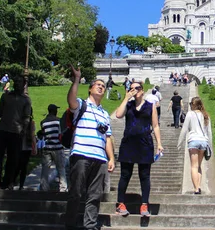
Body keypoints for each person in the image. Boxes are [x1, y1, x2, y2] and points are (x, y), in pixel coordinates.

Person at [65, 67, 115, 230]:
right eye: (98, 85)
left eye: (103, 85)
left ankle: (90, 226)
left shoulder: (105, 114)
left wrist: (111, 158)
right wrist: (77, 79)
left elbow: (107, 137)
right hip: (81, 154)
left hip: (100, 158)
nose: (101, 87)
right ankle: (70, 224)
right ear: (90, 88)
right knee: (76, 193)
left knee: (95, 195)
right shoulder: (82, 105)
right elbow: (71, 100)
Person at [115, 80, 163, 218]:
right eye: (131, 88)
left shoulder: (150, 106)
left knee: (144, 175)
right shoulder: (128, 105)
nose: (134, 90)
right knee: (125, 174)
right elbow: (118, 115)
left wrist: (159, 143)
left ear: (142, 91)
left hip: (145, 143)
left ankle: (144, 204)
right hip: (128, 143)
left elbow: (155, 126)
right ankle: (121, 203)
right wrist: (126, 98)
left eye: (137, 88)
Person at [0, 76, 32, 190]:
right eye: (16, 81)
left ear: (24, 85)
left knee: (13, 159)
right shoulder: (5, 96)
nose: (17, 84)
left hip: (16, 132)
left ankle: (8, 182)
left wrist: (24, 129)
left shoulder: (26, 100)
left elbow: (27, 117)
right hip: (2, 130)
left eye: (19, 82)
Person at [178, 96, 212, 194]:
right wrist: (210, 146)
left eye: (190, 104)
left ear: (193, 105)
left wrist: (179, 143)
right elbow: (209, 132)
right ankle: (199, 186)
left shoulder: (190, 114)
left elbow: (184, 130)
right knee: (199, 166)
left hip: (193, 141)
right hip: (203, 142)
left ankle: (196, 188)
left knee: (193, 166)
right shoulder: (205, 115)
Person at [40, 104, 67, 192]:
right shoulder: (59, 121)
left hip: (47, 148)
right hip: (58, 148)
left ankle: (44, 188)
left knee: (45, 169)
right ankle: (63, 188)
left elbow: (44, 134)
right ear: (54, 111)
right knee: (61, 168)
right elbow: (62, 134)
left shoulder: (43, 122)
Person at [15, 108, 36, 190]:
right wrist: (34, 147)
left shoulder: (19, 121)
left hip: (20, 146)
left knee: (18, 165)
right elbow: (32, 135)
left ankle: (13, 183)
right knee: (23, 167)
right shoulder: (31, 123)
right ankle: (20, 185)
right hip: (26, 146)